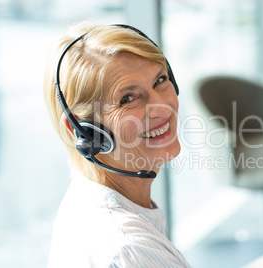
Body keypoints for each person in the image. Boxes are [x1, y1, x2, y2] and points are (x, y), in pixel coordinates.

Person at [43, 21, 191, 267]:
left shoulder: (87, 197)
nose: (162, 107)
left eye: (160, 80)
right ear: (83, 130)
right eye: (128, 98)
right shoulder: (129, 250)